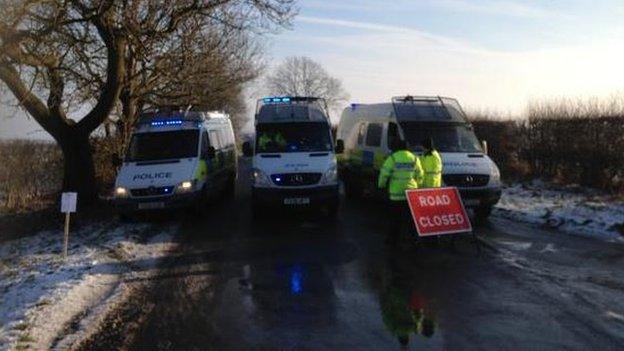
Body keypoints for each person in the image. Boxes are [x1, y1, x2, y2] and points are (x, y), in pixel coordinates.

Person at [378, 139, 424, 242]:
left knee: (395, 218)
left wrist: (381, 186)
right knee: (411, 219)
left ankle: (393, 239)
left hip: (396, 194)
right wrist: (418, 185)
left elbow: (384, 174)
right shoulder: (414, 158)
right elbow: (420, 174)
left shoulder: (393, 158)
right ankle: (414, 238)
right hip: (411, 194)